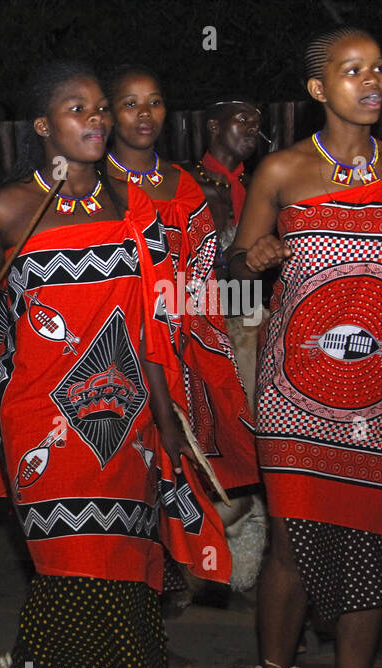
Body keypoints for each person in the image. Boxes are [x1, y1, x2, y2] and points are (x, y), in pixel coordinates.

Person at [0, 61, 229, 668]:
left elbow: (150, 325)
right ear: (44, 126)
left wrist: (167, 417)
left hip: (128, 411)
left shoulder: (128, 203)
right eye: (78, 109)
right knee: (70, 562)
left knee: (120, 567)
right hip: (42, 414)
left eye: (100, 108)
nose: (97, 119)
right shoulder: (10, 208)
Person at [229, 26, 382, 668]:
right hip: (296, 391)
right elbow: (234, 266)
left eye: (378, 69)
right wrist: (256, 254)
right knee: (292, 541)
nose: (371, 81)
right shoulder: (280, 171)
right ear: (318, 89)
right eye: (351, 70)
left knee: (372, 540)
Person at [105, 66, 261, 603]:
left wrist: (196, 343)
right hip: (106, 347)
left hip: (177, 346)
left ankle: (176, 572)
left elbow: (202, 278)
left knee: (175, 462)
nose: (144, 114)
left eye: (154, 103)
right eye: (130, 103)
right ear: (109, 113)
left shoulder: (183, 184)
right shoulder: (89, 183)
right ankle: (121, 581)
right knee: (116, 466)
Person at [185, 100, 263, 254]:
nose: (254, 128)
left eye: (257, 124)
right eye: (243, 119)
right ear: (214, 126)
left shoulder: (257, 188)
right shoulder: (184, 186)